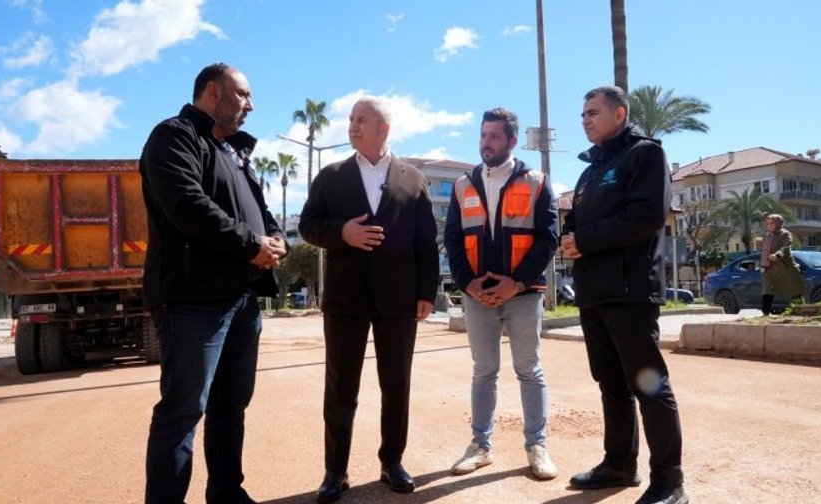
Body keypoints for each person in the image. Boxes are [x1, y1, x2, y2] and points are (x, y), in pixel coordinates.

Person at [140, 63, 287, 504]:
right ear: (212, 91)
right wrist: (251, 245)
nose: (251, 105)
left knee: (230, 408)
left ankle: (227, 493)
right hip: (192, 301)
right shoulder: (175, 136)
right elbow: (187, 205)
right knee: (183, 412)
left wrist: (276, 239)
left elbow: (261, 215)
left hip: (242, 301)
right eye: (243, 94)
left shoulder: (234, 153)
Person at [298, 97, 439, 503]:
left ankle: (391, 461)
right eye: (351, 119)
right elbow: (308, 226)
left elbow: (425, 242)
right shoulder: (331, 176)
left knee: (397, 385)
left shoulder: (412, 179)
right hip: (345, 300)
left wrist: (426, 293)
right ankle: (335, 471)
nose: (352, 126)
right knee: (341, 388)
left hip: (398, 301)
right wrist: (342, 232)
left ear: (384, 128)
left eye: (362, 120)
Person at [561, 86, 689, 504]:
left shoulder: (645, 155)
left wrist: (586, 240)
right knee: (610, 383)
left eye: (593, 112)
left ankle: (669, 481)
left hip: (631, 291)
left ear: (620, 114)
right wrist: (569, 239)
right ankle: (618, 463)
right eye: (582, 114)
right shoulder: (590, 170)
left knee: (649, 385)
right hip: (593, 293)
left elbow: (646, 215)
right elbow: (576, 224)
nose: (585, 119)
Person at [443, 108, 559, 480]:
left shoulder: (537, 181)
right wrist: (467, 283)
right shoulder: (464, 185)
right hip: (477, 297)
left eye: (494, 136)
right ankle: (480, 446)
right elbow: (453, 239)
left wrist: (518, 282)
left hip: (523, 295)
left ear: (511, 140)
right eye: (482, 135)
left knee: (529, 370)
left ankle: (536, 446)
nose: (485, 143)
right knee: (484, 371)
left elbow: (548, 238)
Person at [760, 213, 804, 315]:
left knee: (794, 290)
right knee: (767, 290)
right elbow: (764, 252)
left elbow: (786, 247)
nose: (769, 225)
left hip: (785, 268)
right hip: (770, 269)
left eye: (772, 223)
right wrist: (763, 265)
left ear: (779, 223)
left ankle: (801, 311)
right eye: (768, 223)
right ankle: (765, 314)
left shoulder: (785, 234)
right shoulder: (768, 236)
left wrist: (777, 255)